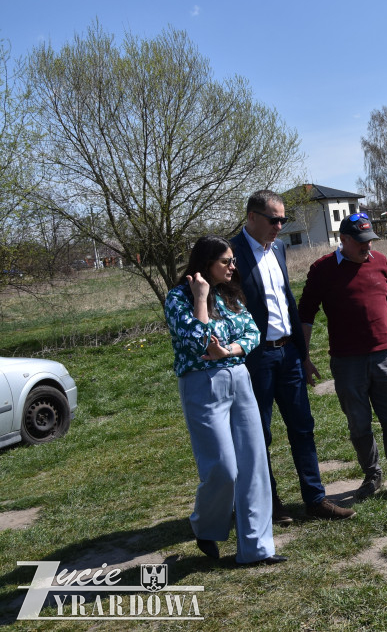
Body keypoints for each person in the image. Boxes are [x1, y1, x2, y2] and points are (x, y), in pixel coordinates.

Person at [231, 190, 354, 523]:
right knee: (259, 434)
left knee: (303, 427)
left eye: (283, 220)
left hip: (288, 355)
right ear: (252, 217)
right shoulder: (231, 254)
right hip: (255, 359)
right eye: (274, 220)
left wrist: (302, 353)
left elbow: (286, 304)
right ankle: (269, 504)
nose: (280, 226)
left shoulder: (280, 249)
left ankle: (315, 500)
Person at [164, 235, 285, 565]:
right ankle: (205, 527)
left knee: (253, 465)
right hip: (203, 386)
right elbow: (197, 342)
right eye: (225, 262)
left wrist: (228, 350)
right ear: (206, 265)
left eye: (233, 260)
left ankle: (257, 549)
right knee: (222, 468)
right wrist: (200, 299)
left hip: (239, 379)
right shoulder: (178, 298)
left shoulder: (230, 296)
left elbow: (253, 333)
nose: (233, 266)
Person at [298, 213, 387, 506]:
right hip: (347, 364)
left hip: (386, 356)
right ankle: (372, 475)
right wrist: (304, 357)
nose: (366, 248)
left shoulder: (381, 263)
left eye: (369, 241)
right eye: (360, 243)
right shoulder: (323, 269)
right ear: (342, 240)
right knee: (359, 425)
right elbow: (305, 313)